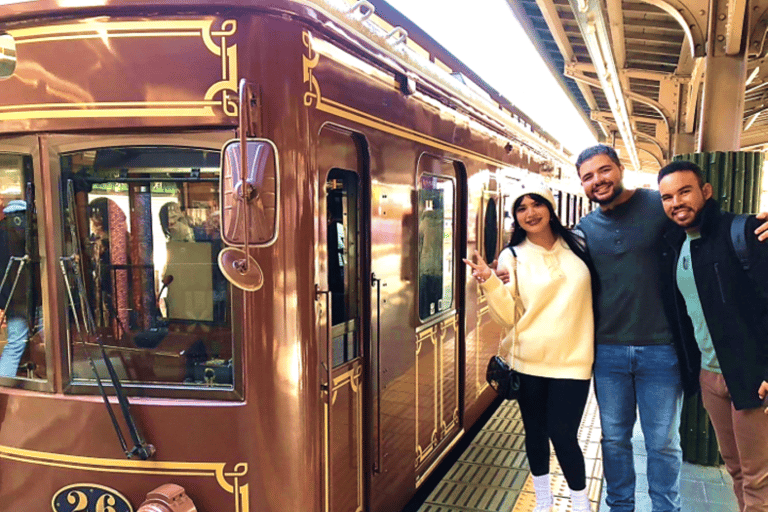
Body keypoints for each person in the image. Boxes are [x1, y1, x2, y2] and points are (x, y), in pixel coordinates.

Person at [573, 145, 768, 512]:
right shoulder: (585, 228)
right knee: (614, 439)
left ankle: (666, 508)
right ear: (581, 183)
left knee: (663, 442)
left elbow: (715, 229)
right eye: (587, 176)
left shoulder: (659, 208)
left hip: (663, 350)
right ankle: (620, 507)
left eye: (604, 170)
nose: (597, 180)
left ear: (620, 169)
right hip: (609, 351)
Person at [464, 178, 596, 512]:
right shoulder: (513, 256)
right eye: (520, 208)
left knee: (564, 435)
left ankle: (580, 503)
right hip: (528, 361)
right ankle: (543, 501)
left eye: (536, 203)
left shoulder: (579, 245)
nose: (529, 213)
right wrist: (490, 281)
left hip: (574, 361)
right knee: (535, 433)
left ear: (550, 208)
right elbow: (509, 316)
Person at [657, 160, 768, 512]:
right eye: (667, 197)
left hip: (750, 376)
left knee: (758, 478)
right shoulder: (676, 244)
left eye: (685, 191)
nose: (677, 203)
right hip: (710, 375)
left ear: (705, 191)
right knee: (735, 469)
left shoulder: (746, 231)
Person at [0, 199, 32, 377]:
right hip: (27, 299)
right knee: (17, 343)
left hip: (11, 299)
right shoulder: (30, 232)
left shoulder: (2, 231)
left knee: (15, 343)